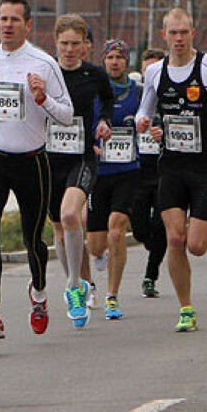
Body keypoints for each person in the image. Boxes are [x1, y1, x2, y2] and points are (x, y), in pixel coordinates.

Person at [0, 0, 74, 340]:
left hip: (32, 161)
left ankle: (39, 293)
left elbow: (67, 115)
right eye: (2, 19)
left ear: (27, 24)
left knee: (32, 238)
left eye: (14, 20)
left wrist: (43, 98)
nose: (7, 25)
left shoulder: (43, 63)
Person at [135, 8, 207, 331]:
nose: (179, 39)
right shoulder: (155, 71)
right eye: (173, 33)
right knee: (174, 237)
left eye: (184, 32)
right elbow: (147, 107)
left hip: (203, 167)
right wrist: (144, 121)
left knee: (196, 245)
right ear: (164, 35)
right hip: (169, 165)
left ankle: (188, 295)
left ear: (193, 33)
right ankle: (186, 308)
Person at [45, 14, 113, 329]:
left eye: (75, 43)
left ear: (84, 44)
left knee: (71, 215)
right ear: (55, 43)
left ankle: (74, 286)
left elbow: (108, 102)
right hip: (49, 160)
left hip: (82, 157)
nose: (70, 49)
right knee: (59, 227)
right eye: (64, 44)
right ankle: (76, 281)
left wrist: (104, 122)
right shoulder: (46, 72)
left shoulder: (94, 74)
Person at [87, 38, 140, 320]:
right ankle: (100, 260)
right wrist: (89, 142)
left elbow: (151, 119)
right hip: (98, 173)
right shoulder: (94, 91)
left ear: (126, 62)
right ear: (103, 61)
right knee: (96, 245)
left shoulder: (138, 92)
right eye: (110, 58)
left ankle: (112, 296)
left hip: (127, 172)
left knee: (116, 230)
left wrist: (149, 129)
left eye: (120, 57)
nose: (115, 62)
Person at [129, 48, 168, 297]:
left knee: (161, 224)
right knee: (141, 229)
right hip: (139, 170)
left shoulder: (170, 95)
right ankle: (157, 245)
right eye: (147, 71)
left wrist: (164, 132)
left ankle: (150, 276)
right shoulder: (136, 97)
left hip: (165, 168)